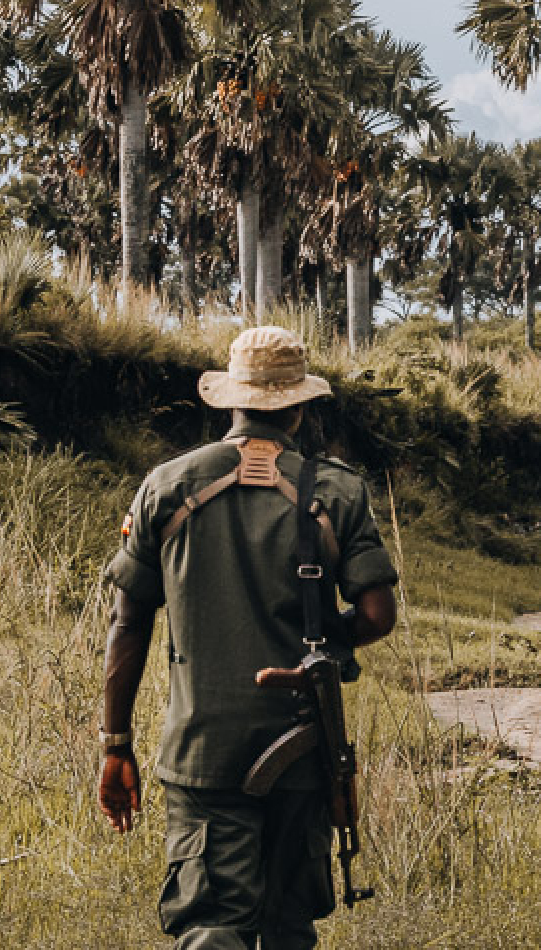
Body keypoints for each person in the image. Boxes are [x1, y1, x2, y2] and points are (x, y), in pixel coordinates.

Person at [97, 325, 402, 950]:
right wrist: (324, 649)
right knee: (290, 927)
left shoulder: (168, 485)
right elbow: (375, 613)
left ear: (230, 399)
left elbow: (128, 621)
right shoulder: (336, 490)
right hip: (303, 747)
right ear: (299, 404)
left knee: (213, 927)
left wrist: (115, 744)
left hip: (203, 753)